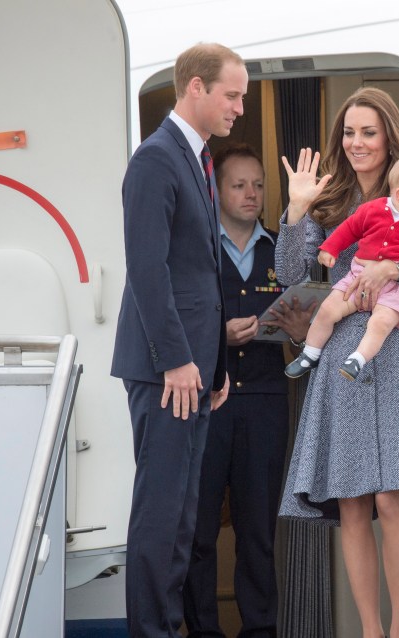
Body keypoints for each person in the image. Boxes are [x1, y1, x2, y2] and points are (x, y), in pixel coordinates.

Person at [275, 87, 399, 638]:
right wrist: (296, 208)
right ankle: (370, 630)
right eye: (349, 132)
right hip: (342, 354)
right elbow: (292, 274)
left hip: (395, 350)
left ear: (388, 137)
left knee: (391, 497)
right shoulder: (331, 195)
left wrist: (396, 272)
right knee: (354, 501)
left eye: (368, 132)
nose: (357, 143)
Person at [110, 43, 245, 638]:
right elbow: (147, 268)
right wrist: (178, 361)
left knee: (185, 521)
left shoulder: (196, 159)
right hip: (168, 371)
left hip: (192, 371)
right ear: (195, 87)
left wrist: (212, 365)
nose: (239, 107)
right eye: (232, 94)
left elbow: (198, 273)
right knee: (162, 519)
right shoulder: (156, 159)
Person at [182, 144, 315, 637]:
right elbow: (173, 322)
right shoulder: (194, 249)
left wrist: (301, 331)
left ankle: (261, 631)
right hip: (203, 404)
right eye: (239, 185)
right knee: (197, 533)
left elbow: (307, 325)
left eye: (258, 184)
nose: (251, 194)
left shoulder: (282, 250)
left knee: (257, 531)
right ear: (217, 190)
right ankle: (203, 632)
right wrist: (219, 335)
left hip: (264, 404)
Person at [284, 153, 399, 382]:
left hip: (398, 291)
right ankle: (309, 354)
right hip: (357, 276)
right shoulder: (373, 209)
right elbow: (349, 229)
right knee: (328, 309)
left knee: (380, 323)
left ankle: (358, 359)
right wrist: (329, 248)